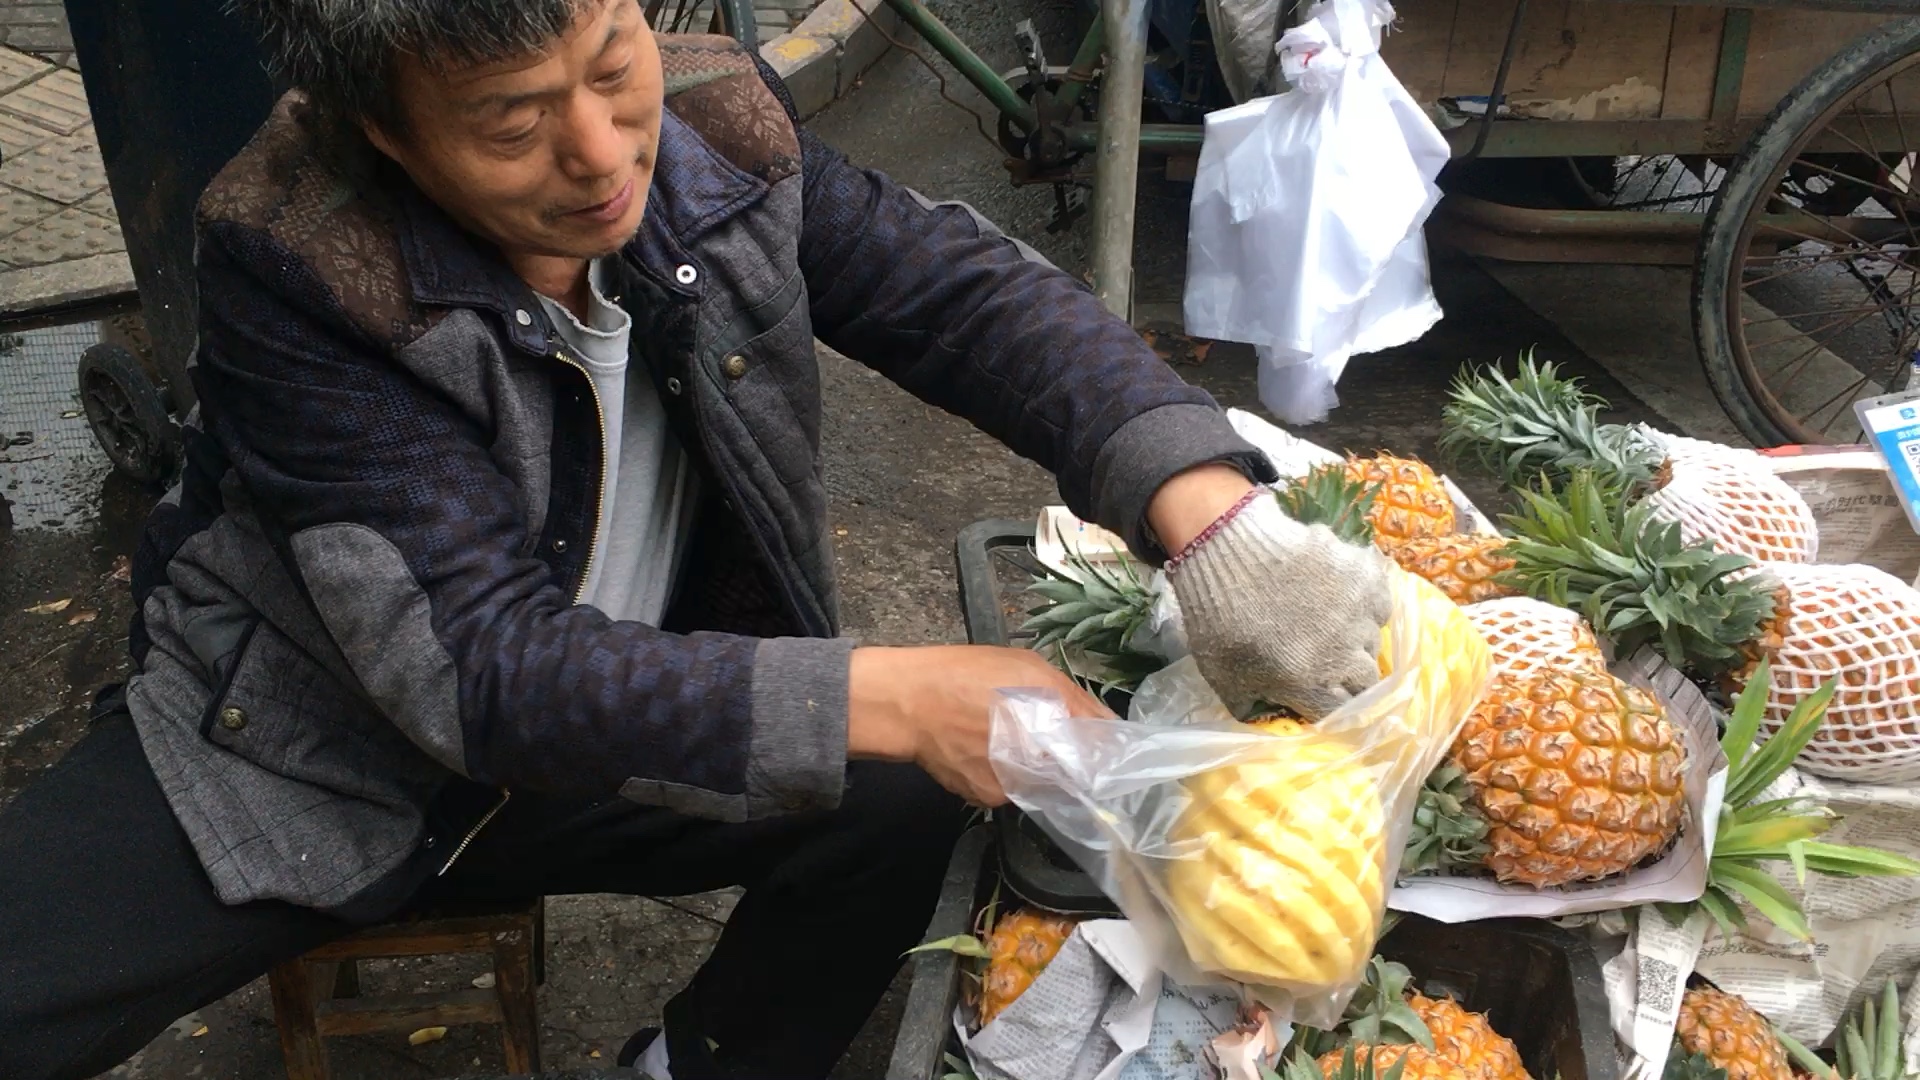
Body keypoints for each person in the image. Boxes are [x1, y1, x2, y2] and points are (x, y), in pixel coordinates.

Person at [0, 1, 1394, 1077]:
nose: (603, 157)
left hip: (630, 719)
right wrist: (894, 688)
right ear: (384, 132)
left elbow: (963, 300)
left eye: (612, 66)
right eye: (511, 123)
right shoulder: (298, 266)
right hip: (317, 754)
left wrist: (1207, 512)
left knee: (906, 793)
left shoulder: (719, 131)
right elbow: (475, 675)